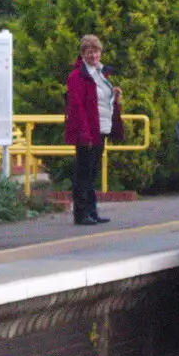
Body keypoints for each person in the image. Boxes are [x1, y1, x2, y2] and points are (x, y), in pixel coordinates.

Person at [64, 34, 124, 226]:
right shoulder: (77, 76)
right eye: (89, 51)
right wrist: (84, 133)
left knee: (92, 172)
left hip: (101, 128)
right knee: (83, 172)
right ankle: (81, 213)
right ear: (82, 54)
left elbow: (101, 100)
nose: (93, 54)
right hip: (88, 130)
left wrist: (114, 96)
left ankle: (92, 210)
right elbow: (77, 106)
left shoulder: (101, 73)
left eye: (96, 50)